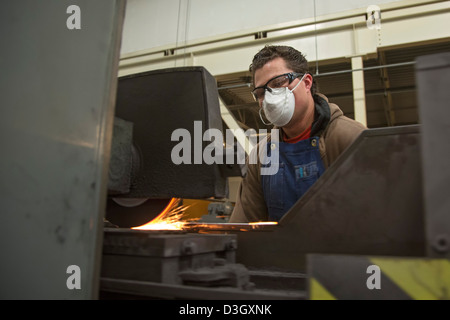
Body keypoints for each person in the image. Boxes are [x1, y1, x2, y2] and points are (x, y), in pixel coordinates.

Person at [229, 45, 366, 222]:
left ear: (307, 83)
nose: (269, 98)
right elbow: (245, 229)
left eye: (278, 83)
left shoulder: (352, 139)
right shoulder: (261, 156)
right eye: (261, 92)